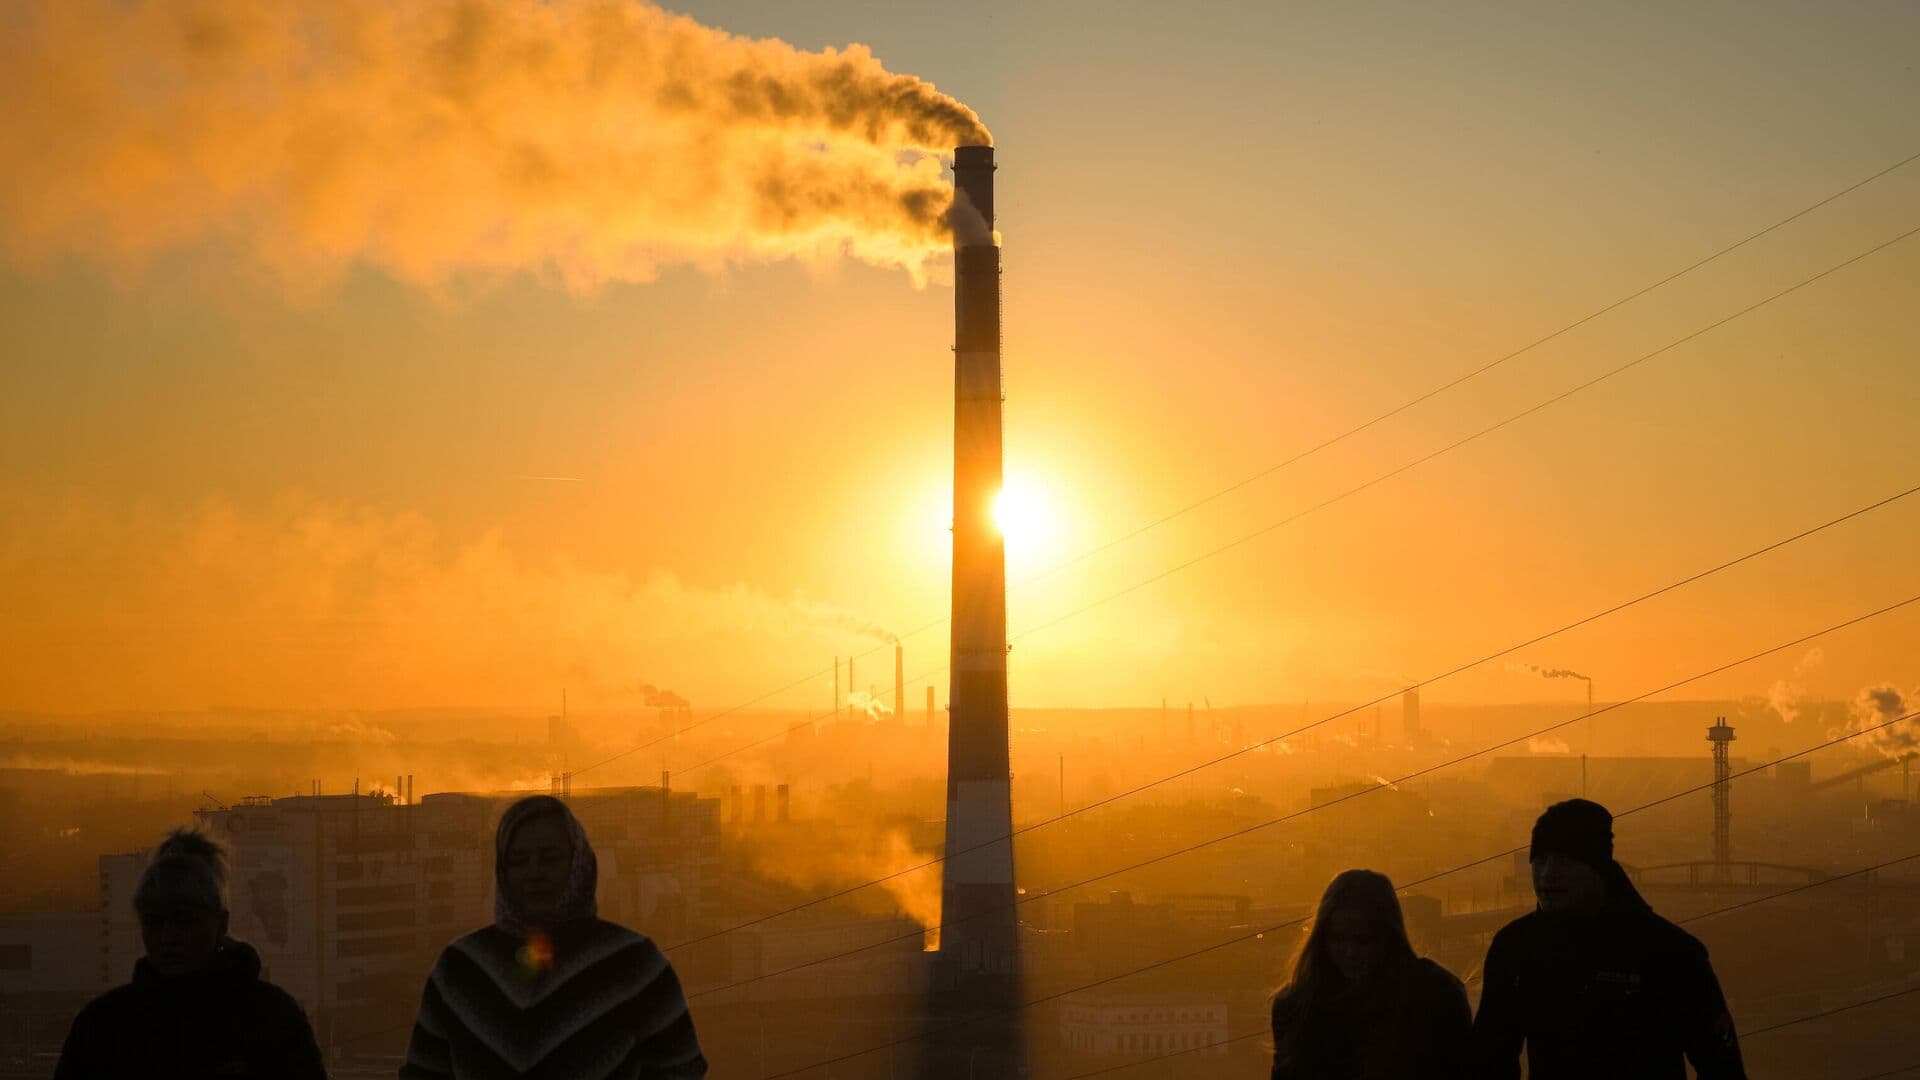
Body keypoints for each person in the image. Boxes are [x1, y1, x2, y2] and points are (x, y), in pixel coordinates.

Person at [402, 794, 707, 1078]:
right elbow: (424, 1072)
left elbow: (680, 1070)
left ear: (578, 864)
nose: (535, 873)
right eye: (519, 861)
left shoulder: (636, 965)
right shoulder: (460, 969)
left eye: (550, 859)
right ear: (502, 871)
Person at [1473, 798, 1746, 1079]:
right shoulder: (1517, 948)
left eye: (1565, 861)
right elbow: (1490, 1060)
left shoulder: (1670, 953)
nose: (1547, 875)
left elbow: (1722, 1067)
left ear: (1598, 868)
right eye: (1540, 860)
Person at [54, 828, 325, 1080]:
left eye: (183, 919)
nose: (167, 937)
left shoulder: (273, 1021)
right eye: (154, 921)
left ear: (220, 924)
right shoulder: (104, 1027)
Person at [1270, 869, 1471, 1079]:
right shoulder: (1295, 1005)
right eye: (1339, 940)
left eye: (1362, 940)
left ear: (1388, 938)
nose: (1350, 952)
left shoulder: (1434, 997)